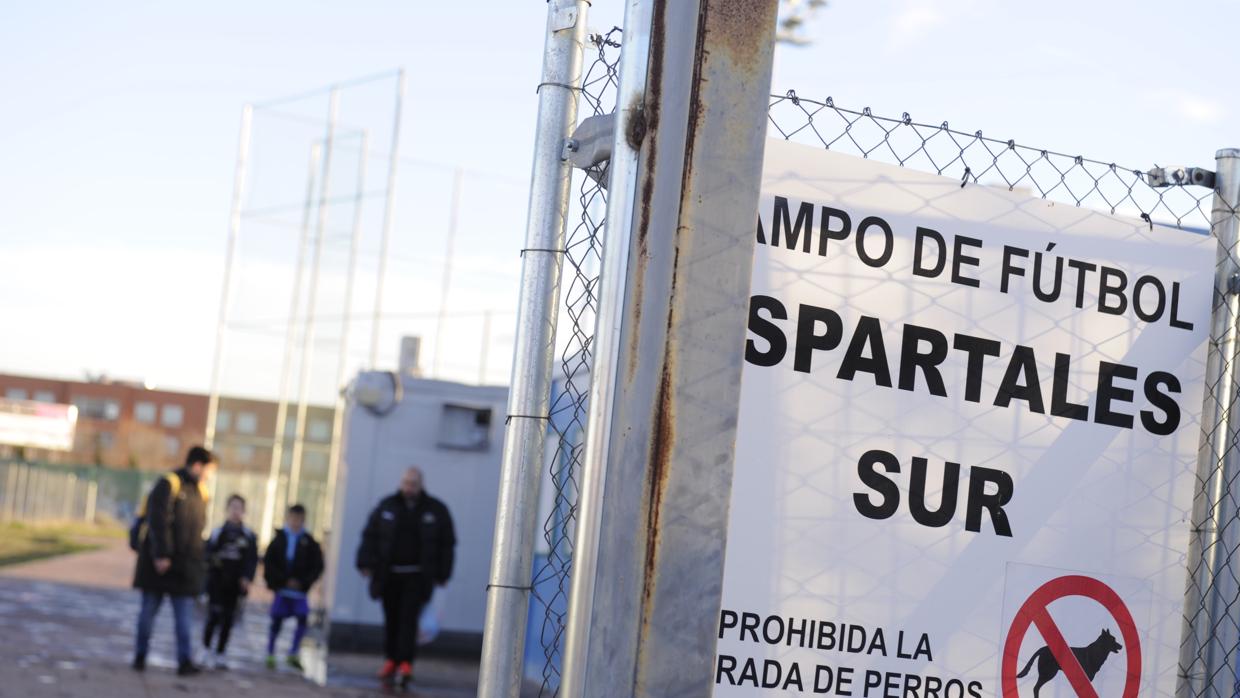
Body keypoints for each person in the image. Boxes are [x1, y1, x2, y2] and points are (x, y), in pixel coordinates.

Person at [356, 466, 456, 687]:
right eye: (406, 483)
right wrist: (364, 562)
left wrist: (443, 573)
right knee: (391, 619)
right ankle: (391, 659)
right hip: (388, 575)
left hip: (417, 577)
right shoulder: (386, 507)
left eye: (413, 483)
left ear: (421, 485)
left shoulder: (436, 510)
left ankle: (406, 663)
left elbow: (447, 544)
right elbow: (370, 536)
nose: (409, 488)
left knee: (408, 620)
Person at [132, 445, 216, 676]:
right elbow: (158, 521)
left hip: (185, 569)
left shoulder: (202, 491)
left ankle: (184, 661)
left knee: (184, 619)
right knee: (148, 613)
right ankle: (140, 655)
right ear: (197, 465)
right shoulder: (169, 483)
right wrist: (161, 555)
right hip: (158, 565)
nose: (209, 475)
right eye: (209, 470)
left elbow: (198, 531)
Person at [262, 503, 323, 672]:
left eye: (299, 520)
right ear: (288, 519)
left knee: (302, 619)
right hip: (282, 590)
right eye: (293, 519)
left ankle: (293, 652)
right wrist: (280, 581)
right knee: (276, 621)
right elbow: (270, 562)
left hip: (300, 592)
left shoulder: (309, 542)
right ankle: (270, 653)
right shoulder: (279, 540)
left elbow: (317, 565)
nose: (296, 523)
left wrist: (303, 582)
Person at [202, 493, 258, 670]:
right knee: (213, 616)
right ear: (227, 509)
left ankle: (221, 652)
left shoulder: (248, 536)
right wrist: (214, 564)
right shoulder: (218, 532)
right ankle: (205, 649)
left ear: (244, 511)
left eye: (239, 508)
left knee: (228, 618)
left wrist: (247, 578)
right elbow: (207, 556)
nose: (236, 512)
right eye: (233, 507)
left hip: (235, 586)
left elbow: (252, 560)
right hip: (217, 583)